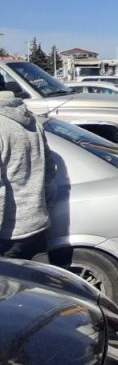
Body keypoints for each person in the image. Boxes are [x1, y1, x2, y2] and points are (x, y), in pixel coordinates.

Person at [0, 90, 53, 259]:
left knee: (12, 285)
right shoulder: (32, 120)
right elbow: (49, 171)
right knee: (40, 284)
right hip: (38, 224)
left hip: (9, 234)